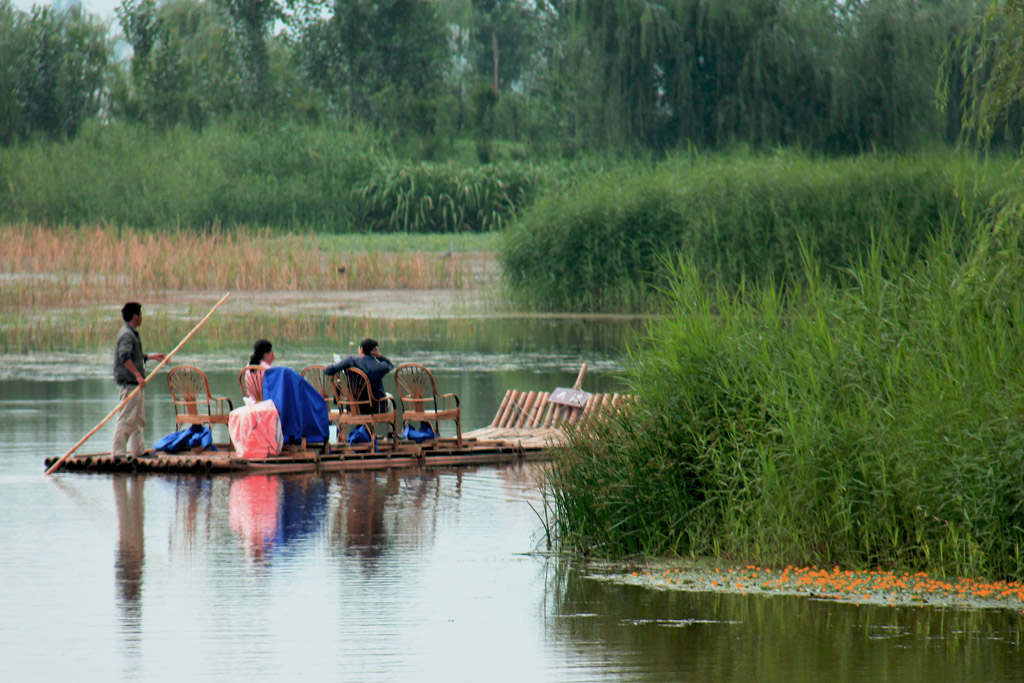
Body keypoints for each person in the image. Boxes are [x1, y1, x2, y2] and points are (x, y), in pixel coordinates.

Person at [112, 302, 166, 458]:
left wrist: (151, 357)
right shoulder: (127, 335)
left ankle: (138, 451)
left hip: (135, 384)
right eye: (140, 314)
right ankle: (119, 454)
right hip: (129, 384)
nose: (142, 317)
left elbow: (134, 357)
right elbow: (124, 357)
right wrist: (137, 375)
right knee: (126, 419)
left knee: (138, 420)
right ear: (135, 316)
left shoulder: (132, 333)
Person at [325, 337, 394, 408]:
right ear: (374, 352)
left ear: (361, 350)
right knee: (390, 398)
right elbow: (390, 366)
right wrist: (379, 356)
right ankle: (387, 419)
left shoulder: (350, 360)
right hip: (374, 408)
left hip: (353, 407)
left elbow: (328, 370)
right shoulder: (380, 366)